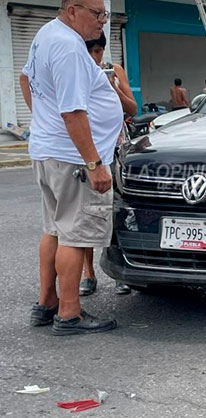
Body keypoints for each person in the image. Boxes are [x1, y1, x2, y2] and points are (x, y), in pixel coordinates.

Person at [18, 0, 121, 335]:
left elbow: (25, 78)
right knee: (75, 236)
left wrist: (41, 122)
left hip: (49, 151)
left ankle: (46, 304)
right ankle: (69, 312)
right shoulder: (70, 48)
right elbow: (74, 111)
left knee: (54, 230)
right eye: (97, 14)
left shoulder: (46, 34)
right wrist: (94, 163)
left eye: (105, 15)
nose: (102, 23)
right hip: (73, 158)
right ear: (72, 11)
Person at [78, 33, 137, 297]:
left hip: (115, 149)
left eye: (99, 51)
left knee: (115, 212)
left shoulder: (114, 71)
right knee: (86, 213)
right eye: (91, 51)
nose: (96, 57)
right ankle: (88, 274)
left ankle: (119, 272)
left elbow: (132, 108)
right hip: (88, 152)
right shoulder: (75, 69)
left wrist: (111, 86)